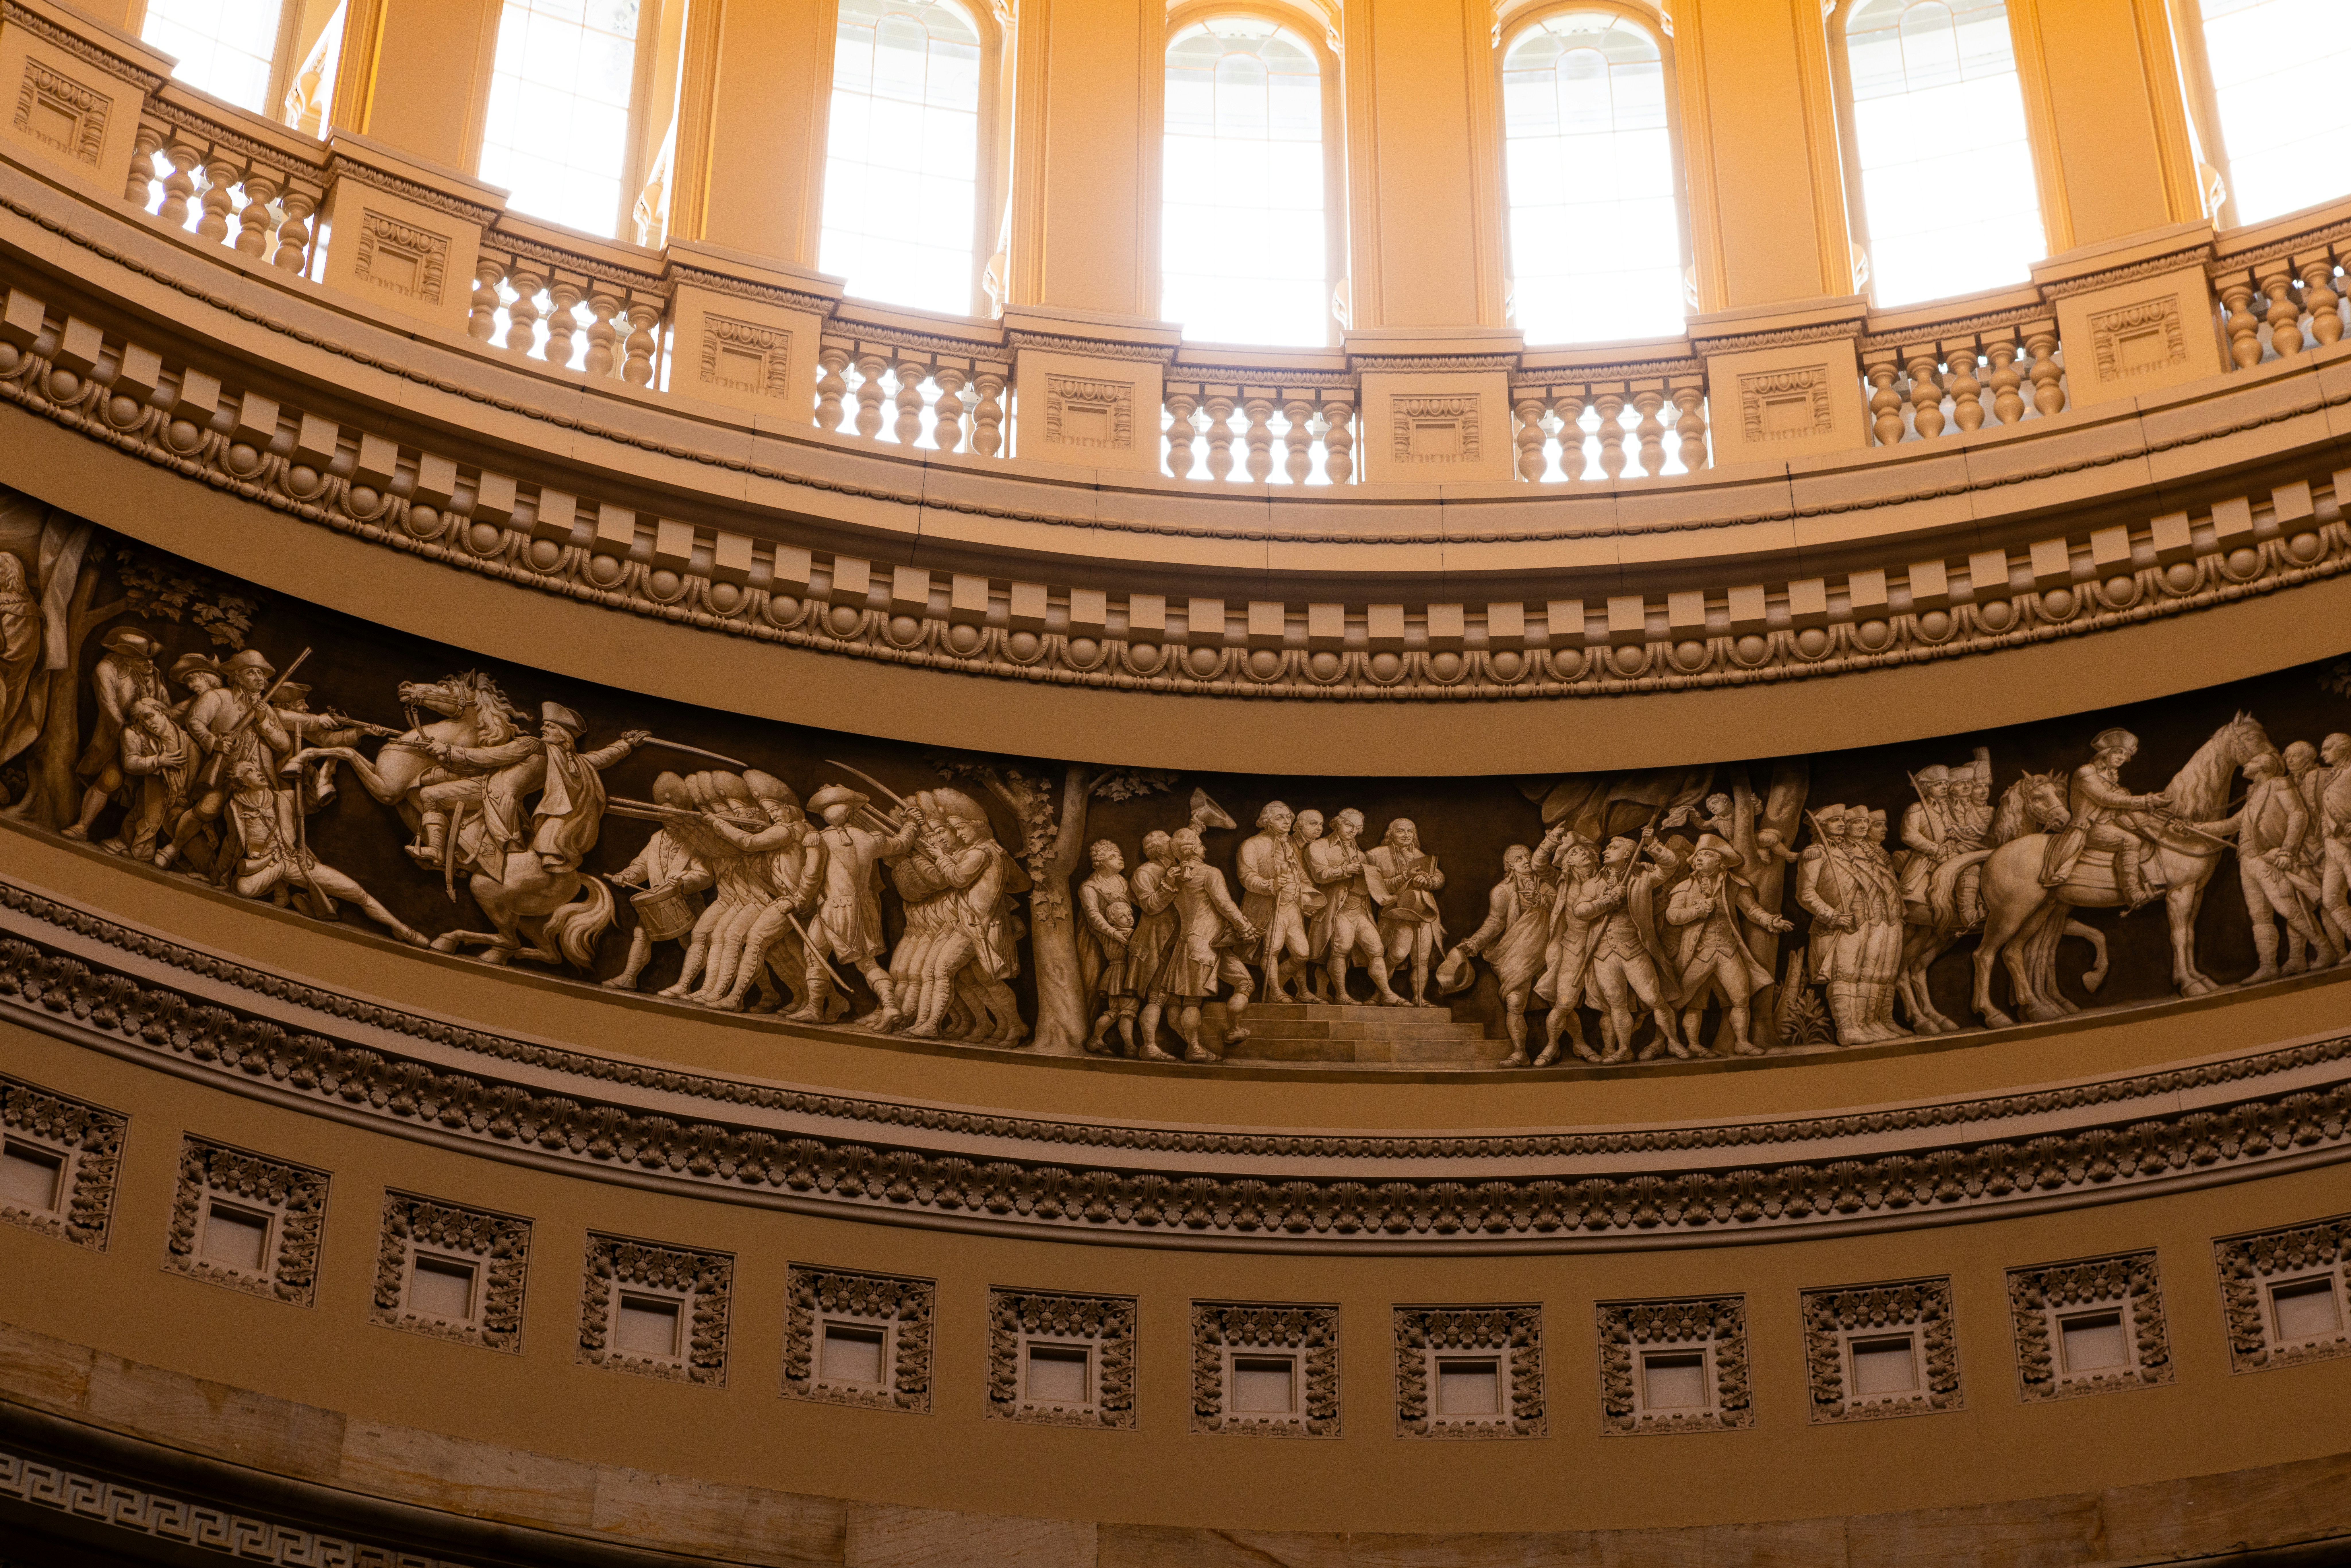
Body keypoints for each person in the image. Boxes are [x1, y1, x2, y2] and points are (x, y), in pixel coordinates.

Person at [222, 754, 428, 946]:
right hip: (265, 867)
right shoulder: (235, 808)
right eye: (250, 771)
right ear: (242, 782)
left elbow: (313, 801)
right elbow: (232, 844)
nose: (259, 772)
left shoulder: (284, 798)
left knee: (356, 891)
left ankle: (401, 929)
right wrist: (220, 874)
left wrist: (312, 772)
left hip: (294, 862)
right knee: (243, 888)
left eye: (257, 769)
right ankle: (281, 888)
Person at [2195, 751, 2336, 985]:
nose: (2246, 764)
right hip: (2247, 861)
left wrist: (2288, 851)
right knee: (2259, 916)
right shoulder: (2254, 794)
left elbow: (2298, 815)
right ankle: (2268, 966)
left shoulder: (2279, 785)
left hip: (2269, 859)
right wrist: (2197, 828)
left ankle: (2324, 949)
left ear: (2264, 767)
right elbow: (2232, 824)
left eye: (2252, 762)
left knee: (2287, 908)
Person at [788, 783, 921, 1030]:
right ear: (850, 813)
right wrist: (912, 824)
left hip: (834, 908)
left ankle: (817, 1009)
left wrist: (799, 901)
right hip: (866, 908)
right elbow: (902, 844)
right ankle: (889, 1005)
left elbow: (812, 876)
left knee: (816, 956)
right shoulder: (869, 838)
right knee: (863, 962)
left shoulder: (819, 840)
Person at [1667, 834, 1793, 1057]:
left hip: (1727, 951)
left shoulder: (1734, 884)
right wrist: (1697, 910)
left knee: (1741, 998)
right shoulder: (1684, 888)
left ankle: (1742, 1042)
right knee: (1686, 1001)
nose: (1699, 859)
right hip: (1697, 954)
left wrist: (1771, 921)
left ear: (1720, 861)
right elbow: (1673, 916)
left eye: (1707, 855)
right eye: (1698, 856)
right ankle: (1683, 1043)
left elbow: (1752, 910)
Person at [1145, 826, 1258, 1063]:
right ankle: (1195, 1049)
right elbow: (1225, 904)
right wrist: (1244, 926)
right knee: (1194, 1002)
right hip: (1206, 948)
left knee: (1244, 983)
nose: (1204, 847)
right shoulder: (1209, 872)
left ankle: (1234, 1030)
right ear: (1195, 848)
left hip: (1193, 945)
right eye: (1200, 844)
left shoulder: (1173, 877)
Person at [1572, 828, 1683, 1062]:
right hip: (1603, 952)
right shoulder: (1593, 884)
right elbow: (1580, 911)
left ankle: (1673, 1042)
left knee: (1653, 998)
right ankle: (1625, 1049)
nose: (1606, 851)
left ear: (1628, 853)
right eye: (1607, 848)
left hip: (1634, 948)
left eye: (1613, 848)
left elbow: (1670, 866)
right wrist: (1607, 901)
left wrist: (1653, 843)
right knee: (1615, 1001)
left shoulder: (1643, 879)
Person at [1443, 842, 1555, 1066]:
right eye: (1519, 859)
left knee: (1560, 1000)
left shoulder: (1547, 883)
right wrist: (1476, 941)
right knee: (1515, 1001)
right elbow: (1495, 922)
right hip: (1516, 951)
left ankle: (1573, 1044)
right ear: (1510, 866)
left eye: (1528, 856)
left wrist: (1541, 900)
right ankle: (1520, 1053)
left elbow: (1560, 904)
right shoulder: (1501, 891)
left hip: (1548, 948)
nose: (1526, 861)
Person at [603, 772, 715, 992]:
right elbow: (642, 866)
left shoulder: (696, 843)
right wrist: (627, 876)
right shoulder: (656, 839)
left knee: (693, 943)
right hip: (657, 902)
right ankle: (629, 977)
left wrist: (684, 880)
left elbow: (706, 876)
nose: (669, 822)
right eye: (665, 817)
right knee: (642, 935)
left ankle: (695, 985)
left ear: (684, 816)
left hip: (687, 904)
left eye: (674, 818)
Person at [2041, 727, 2171, 910]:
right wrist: (2146, 801)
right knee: (2131, 841)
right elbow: (2105, 798)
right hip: (2087, 828)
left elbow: (2118, 803)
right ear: (2105, 753)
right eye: (2118, 752)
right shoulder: (2086, 772)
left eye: (2125, 755)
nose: (2122, 758)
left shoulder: (2110, 776)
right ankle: (2133, 894)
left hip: (2108, 825)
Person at [63, 627, 165, 843]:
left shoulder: (153, 674)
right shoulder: (106, 669)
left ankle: (135, 843)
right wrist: (126, 733)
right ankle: (83, 826)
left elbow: (166, 707)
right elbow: (108, 704)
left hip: (152, 742)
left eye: (150, 659)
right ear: (125, 658)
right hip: (115, 738)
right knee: (111, 779)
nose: (150, 664)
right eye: (142, 659)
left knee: (151, 791)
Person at [1304, 808, 1406, 1006]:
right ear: (1337, 823)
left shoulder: (1361, 854)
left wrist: (1377, 879)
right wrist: (1345, 870)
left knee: (1377, 950)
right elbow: (1319, 875)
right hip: (1337, 909)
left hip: (1360, 910)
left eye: (1358, 828)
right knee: (1342, 948)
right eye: (1349, 825)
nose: (1353, 831)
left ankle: (1387, 993)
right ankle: (1342, 995)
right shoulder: (1319, 846)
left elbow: (1372, 886)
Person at [1531, 829, 1605, 1065]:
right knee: (1564, 1003)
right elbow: (1538, 864)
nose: (1583, 853)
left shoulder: (1607, 878)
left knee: (1614, 1003)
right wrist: (1551, 841)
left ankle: (1612, 1050)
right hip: (1573, 947)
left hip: (1604, 949)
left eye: (1584, 850)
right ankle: (1553, 1046)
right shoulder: (1562, 880)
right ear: (1568, 862)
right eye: (1575, 852)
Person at [1235, 801, 1314, 1004]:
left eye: (1289, 817)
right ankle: (1277, 991)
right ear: (1267, 821)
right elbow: (1247, 877)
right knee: (1273, 949)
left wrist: (1308, 898)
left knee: (1303, 954)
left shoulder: (1288, 845)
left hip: (1292, 907)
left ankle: (1277, 985)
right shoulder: (1252, 845)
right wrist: (1270, 884)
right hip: (1268, 906)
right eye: (1280, 818)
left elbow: (1301, 877)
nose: (1287, 822)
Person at [1366, 818, 1446, 1005]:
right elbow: (1377, 886)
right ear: (1391, 834)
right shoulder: (1376, 855)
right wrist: (1404, 878)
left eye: (1410, 831)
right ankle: (1381, 993)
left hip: (1425, 912)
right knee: (1397, 954)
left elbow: (1439, 876)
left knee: (1422, 959)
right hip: (1398, 911)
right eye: (1401, 831)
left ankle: (1419, 998)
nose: (1407, 835)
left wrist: (1429, 881)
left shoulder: (1419, 855)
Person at [103, 697, 193, 861]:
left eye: (149, 717)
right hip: (154, 791)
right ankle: (126, 842)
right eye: (143, 721)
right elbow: (129, 763)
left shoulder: (187, 741)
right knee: (144, 803)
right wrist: (158, 761)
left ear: (160, 711)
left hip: (182, 798)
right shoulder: (136, 734)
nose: (148, 724)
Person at [1078, 840, 1138, 1055]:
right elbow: (1094, 916)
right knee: (1121, 1006)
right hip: (1100, 938)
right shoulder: (1089, 887)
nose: (1120, 858)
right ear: (1100, 863)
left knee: (1116, 1008)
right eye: (1113, 857)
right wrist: (1115, 933)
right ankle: (1125, 1045)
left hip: (1120, 938)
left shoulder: (1122, 882)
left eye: (1119, 854)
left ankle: (1098, 1039)